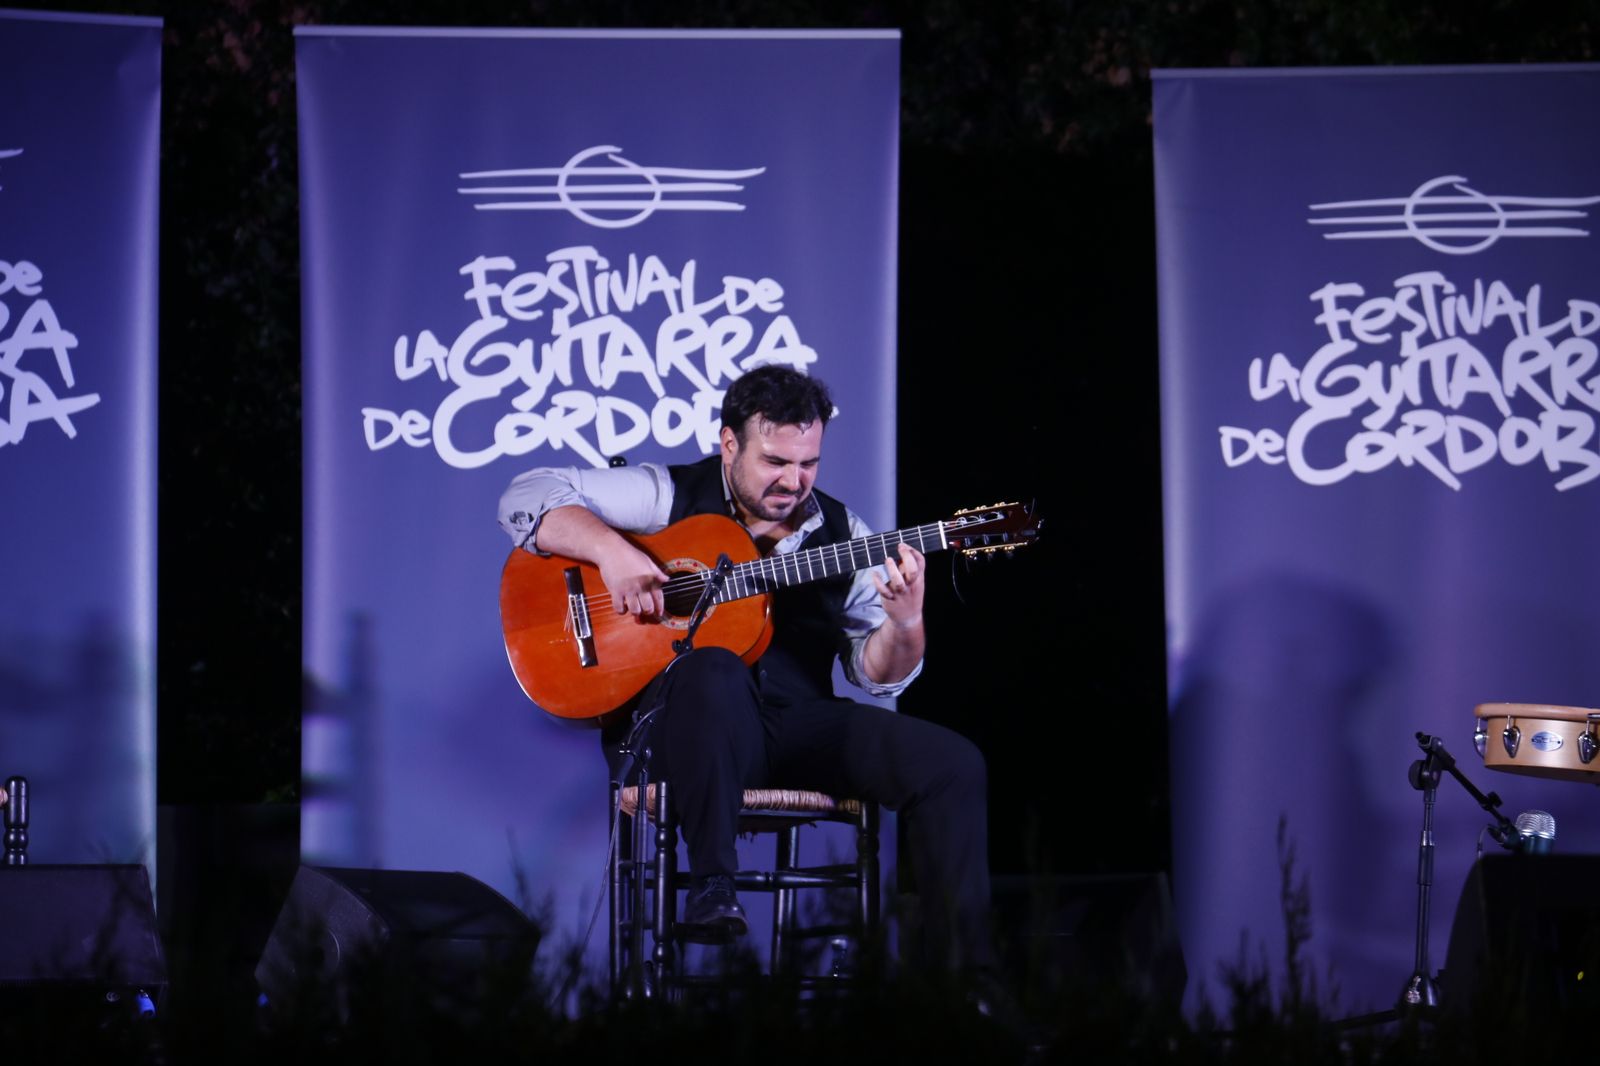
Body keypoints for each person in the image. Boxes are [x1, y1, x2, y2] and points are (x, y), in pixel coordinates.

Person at [498, 365, 993, 972]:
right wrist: (614, 553)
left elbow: (875, 673)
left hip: (793, 726)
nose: (794, 480)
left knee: (952, 766)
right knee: (713, 666)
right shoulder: (666, 495)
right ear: (729, 443)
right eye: (775, 462)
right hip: (682, 730)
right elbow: (524, 498)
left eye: (808, 463)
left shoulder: (845, 535)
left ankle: (966, 985)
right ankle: (713, 887)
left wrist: (908, 624)